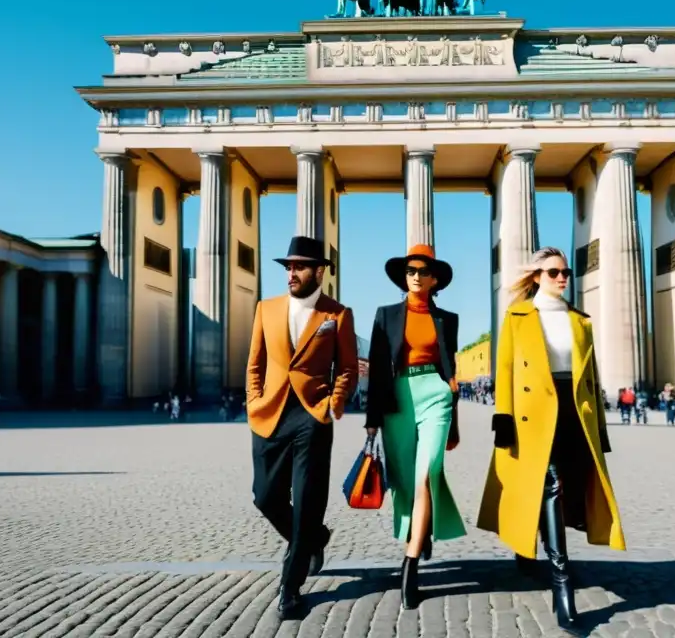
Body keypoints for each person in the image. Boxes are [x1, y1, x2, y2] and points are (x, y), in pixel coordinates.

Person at [477, 246, 625, 629]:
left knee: (566, 486)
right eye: (554, 271)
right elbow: (506, 367)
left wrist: (601, 430)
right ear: (537, 276)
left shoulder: (580, 321)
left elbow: (591, 379)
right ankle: (562, 584)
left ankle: (529, 550)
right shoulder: (518, 316)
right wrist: (503, 416)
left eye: (566, 272)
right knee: (552, 485)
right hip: (533, 415)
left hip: (574, 411)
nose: (562, 278)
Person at [246, 235, 359, 620]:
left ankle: (289, 588)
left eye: (299, 267)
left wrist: (332, 404)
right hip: (269, 414)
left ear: (319, 271)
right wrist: (253, 401)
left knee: (307, 501)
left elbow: (346, 368)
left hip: (312, 416)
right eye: (288, 267)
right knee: (265, 496)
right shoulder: (266, 308)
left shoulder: (337, 314)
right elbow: (255, 363)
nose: (291, 273)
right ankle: (315, 538)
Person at [365, 244, 465, 610]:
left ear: (435, 279)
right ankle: (420, 535)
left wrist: (455, 422)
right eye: (411, 271)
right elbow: (377, 370)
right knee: (405, 480)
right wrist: (372, 421)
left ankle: (410, 566)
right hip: (397, 400)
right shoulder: (385, 315)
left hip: (434, 395)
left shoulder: (447, 319)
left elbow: (450, 370)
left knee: (428, 473)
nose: (416, 277)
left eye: (423, 271)